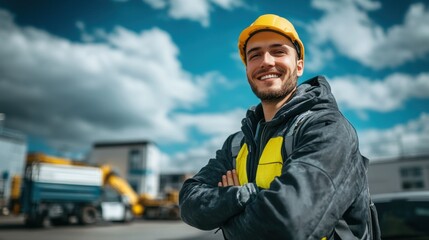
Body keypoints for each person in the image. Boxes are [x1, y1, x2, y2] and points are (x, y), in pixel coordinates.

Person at [179, 13, 373, 240]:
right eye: (255, 55)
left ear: (299, 66)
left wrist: (226, 215)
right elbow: (189, 202)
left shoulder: (328, 129)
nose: (266, 61)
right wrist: (242, 197)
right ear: (247, 70)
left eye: (278, 51)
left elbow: (289, 221)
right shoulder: (236, 144)